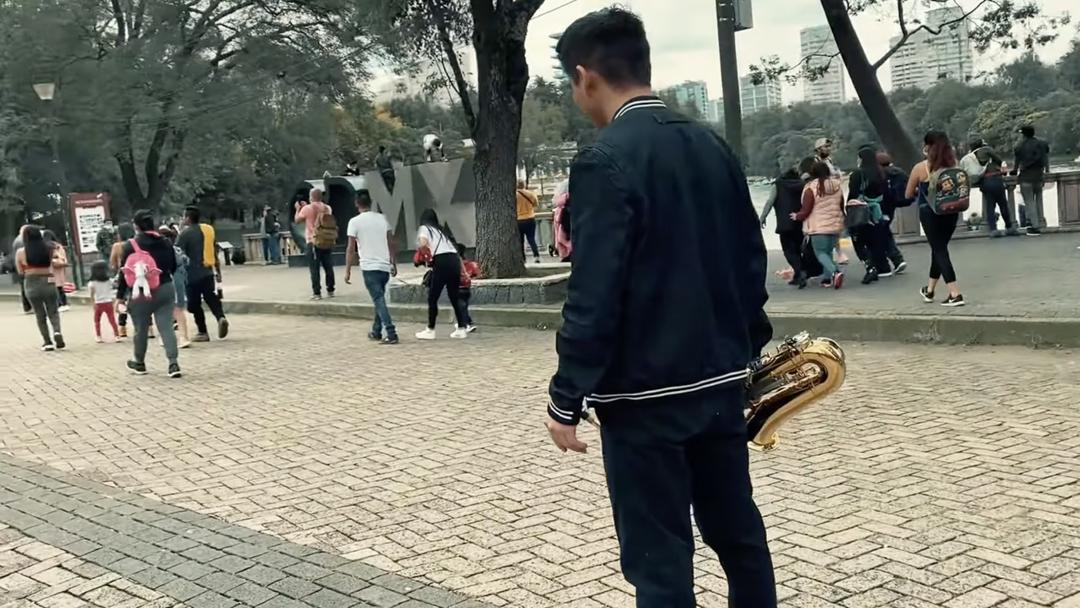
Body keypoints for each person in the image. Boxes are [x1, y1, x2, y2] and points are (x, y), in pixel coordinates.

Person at [547, 10, 776, 607]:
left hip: (645, 400)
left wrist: (565, 395)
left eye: (573, 87)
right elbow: (750, 262)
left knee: (660, 561)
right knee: (739, 537)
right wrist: (745, 350)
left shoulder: (604, 159)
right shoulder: (710, 144)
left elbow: (594, 295)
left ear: (585, 76)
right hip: (720, 383)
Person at [907, 130, 965, 307]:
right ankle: (930, 290)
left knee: (939, 250)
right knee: (938, 250)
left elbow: (908, 193)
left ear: (928, 146)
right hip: (952, 212)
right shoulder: (954, 167)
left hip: (930, 213)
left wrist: (923, 189)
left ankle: (955, 293)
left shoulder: (920, 168)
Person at [120, 210, 181, 377]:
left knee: (141, 328)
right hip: (165, 287)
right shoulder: (166, 242)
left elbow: (123, 273)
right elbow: (174, 266)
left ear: (136, 225)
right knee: (166, 327)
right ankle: (173, 363)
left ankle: (139, 362)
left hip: (141, 292)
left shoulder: (130, 245)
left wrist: (120, 296)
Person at [344, 192, 399, 345]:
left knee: (378, 299)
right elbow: (391, 242)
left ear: (356, 203)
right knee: (379, 298)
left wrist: (348, 269)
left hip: (369, 266)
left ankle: (391, 331)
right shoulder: (382, 218)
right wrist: (393, 262)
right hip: (384, 264)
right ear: (371, 202)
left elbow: (350, 248)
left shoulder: (354, 222)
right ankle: (376, 331)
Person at [414, 209, 469, 340]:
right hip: (454, 262)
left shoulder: (425, 228)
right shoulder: (442, 232)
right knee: (454, 296)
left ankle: (430, 329)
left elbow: (422, 243)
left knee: (433, 297)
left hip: (441, 261)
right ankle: (461, 328)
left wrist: (427, 256)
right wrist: (464, 272)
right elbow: (456, 253)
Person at [177, 206, 230, 341]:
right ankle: (221, 317)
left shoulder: (184, 234)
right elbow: (214, 250)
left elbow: (177, 254)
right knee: (210, 297)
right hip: (207, 271)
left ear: (188, 218)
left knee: (193, 305)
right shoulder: (208, 230)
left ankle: (202, 331)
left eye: (184, 217)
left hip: (191, 275)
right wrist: (217, 271)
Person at [794, 162, 846, 289]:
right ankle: (827, 279)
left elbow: (806, 209)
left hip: (819, 227)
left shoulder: (811, 187)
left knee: (821, 253)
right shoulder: (837, 185)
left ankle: (835, 272)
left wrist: (797, 216)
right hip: (835, 224)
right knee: (828, 252)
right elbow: (841, 204)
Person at [847, 146, 893, 285]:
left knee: (859, 241)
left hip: (862, 212)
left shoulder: (857, 174)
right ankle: (883, 268)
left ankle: (870, 267)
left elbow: (853, 194)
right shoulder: (881, 173)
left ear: (862, 159)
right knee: (876, 240)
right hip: (878, 212)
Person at [16, 225, 66, 351]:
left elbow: (20, 272)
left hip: (31, 283)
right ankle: (57, 332)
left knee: (40, 314)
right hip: (48, 280)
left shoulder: (20, 252)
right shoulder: (49, 249)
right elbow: (60, 260)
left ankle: (47, 342)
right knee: (53, 311)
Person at [760, 165, 809, 288]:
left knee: (789, 251)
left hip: (785, 224)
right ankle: (798, 276)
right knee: (797, 250)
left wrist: (762, 217)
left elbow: (770, 201)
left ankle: (800, 272)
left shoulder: (778, 185)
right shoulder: (802, 185)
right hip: (800, 222)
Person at [962, 137, 1018, 237]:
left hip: (985, 182)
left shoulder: (970, 157)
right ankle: (1009, 227)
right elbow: (999, 160)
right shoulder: (986, 150)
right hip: (996, 180)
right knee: (1003, 205)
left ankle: (993, 229)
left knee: (990, 207)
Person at [294, 188, 336, 300]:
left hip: (313, 241)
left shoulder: (307, 208)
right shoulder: (328, 208)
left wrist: (298, 209)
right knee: (328, 266)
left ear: (311, 196)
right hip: (326, 240)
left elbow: (297, 220)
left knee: (314, 268)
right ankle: (331, 289)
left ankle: (317, 293)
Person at [1012, 125, 1050, 236]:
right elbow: (1045, 157)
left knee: (1029, 202)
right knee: (1038, 200)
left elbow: (1017, 162)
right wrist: (1047, 170)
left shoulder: (1020, 146)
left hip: (1026, 177)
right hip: (1039, 176)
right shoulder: (1042, 143)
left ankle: (1034, 227)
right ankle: (1038, 222)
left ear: (1023, 134)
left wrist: (1014, 171)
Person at [160, 226, 192, 349]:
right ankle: (183, 337)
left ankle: (167, 336)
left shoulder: (161, 251)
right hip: (178, 281)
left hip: (166, 281)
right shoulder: (178, 250)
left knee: (165, 310)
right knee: (178, 309)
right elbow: (186, 262)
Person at [876, 152, 908, 273]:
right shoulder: (899, 172)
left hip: (881, 206)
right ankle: (896, 259)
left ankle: (896, 259)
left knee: (882, 233)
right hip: (892, 206)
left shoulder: (880, 174)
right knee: (884, 231)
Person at [110, 223, 136, 339]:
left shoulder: (117, 246)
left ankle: (122, 328)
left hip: (123, 275)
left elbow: (113, 262)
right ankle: (148, 328)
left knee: (121, 301)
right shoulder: (136, 243)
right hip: (137, 274)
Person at [88, 260, 119, 343]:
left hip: (98, 303)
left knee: (97, 320)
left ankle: (98, 336)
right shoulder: (109, 281)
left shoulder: (92, 282)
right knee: (112, 320)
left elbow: (91, 294)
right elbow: (114, 286)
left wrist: (93, 303)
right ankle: (117, 335)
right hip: (108, 302)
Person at [43, 231, 71, 312]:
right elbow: (64, 257)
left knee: (54, 288)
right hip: (60, 268)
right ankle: (65, 303)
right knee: (60, 287)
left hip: (51, 269)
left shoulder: (46, 246)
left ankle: (58, 304)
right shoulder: (59, 246)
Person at [456, 243, 480, 332]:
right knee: (464, 306)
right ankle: (464, 322)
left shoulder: (455, 264)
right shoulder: (470, 263)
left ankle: (466, 324)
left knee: (461, 307)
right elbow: (475, 273)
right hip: (466, 288)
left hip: (457, 288)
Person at [516, 180, 541, 263]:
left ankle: (523, 259)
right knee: (531, 239)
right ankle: (536, 256)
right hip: (530, 218)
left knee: (520, 240)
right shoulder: (531, 194)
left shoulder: (514, 195)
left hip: (519, 220)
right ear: (524, 185)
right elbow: (536, 204)